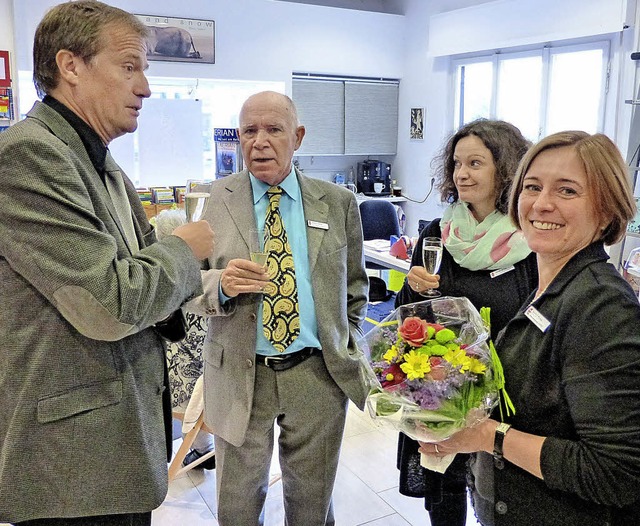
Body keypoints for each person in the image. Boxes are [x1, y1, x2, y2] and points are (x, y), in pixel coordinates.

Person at [0, 2, 214, 525]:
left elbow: (139, 275)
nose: (144, 86)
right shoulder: (31, 155)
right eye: (130, 66)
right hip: (71, 468)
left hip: (112, 451)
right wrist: (186, 248)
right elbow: (109, 303)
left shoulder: (100, 161)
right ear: (70, 65)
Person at [420, 131, 640, 525]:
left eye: (568, 191)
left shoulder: (601, 305)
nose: (542, 203)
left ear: (606, 212)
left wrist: (488, 436)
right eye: (532, 186)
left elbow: (617, 472)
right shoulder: (552, 287)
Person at [189, 91, 370, 526]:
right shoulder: (212, 198)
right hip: (238, 372)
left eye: (274, 130)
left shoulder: (338, 202)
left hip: (317, 375)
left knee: (312, 505)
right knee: (236, 506)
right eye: (249, 131)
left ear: (298, 137)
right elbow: (182, 285)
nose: (260, 142)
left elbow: (355, 287)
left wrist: (341, 342)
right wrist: (222, 285)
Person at [394, 119, 538, 525]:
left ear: (506, 169)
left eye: (475, 163)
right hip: (442, 392)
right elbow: (407, 314)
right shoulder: (438, 233)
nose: (461, 173)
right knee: (447, 496)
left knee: (501, 500)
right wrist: (414, 290)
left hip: (509, 399)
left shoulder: (529, 239)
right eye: (457, 163)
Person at [155, 209, 215, 470]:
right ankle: (205, 448)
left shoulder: (165, 278)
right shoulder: (208, 274)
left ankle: (201, 448)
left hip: (188, 388)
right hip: (216, 377)